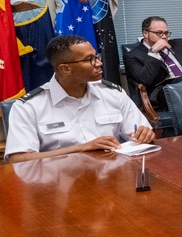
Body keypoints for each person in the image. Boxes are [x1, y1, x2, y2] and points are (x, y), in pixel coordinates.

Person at [5, 35, 154, 163]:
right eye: (90, 59)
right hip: (59, 185)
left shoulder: (113, 93)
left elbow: (139, 132)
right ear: (65, 69)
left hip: (111, 176)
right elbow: (18, 159)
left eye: (96, 56)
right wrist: (78, 149)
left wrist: (145, 134)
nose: (99, 63)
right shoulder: (29, 106)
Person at [123, 16, 182, 110]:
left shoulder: (179, 44)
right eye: (159, 33)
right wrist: (153, 52)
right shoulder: (132, 56)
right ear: (145, 33)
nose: (164, 37)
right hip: (163, 93)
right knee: (180, 81)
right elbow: (145, 80)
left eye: (166, 33)